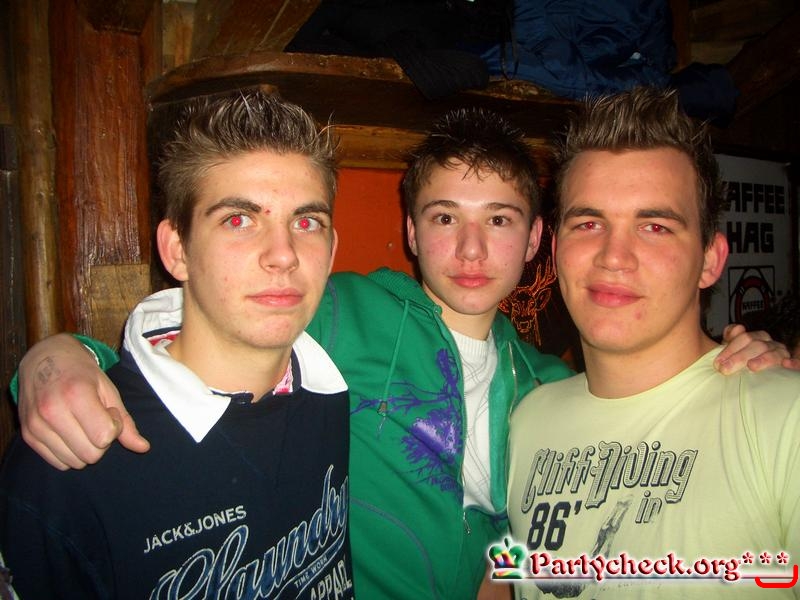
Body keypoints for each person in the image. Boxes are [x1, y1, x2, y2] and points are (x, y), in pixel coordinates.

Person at [8, 104, 794, 600]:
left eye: (500, 220)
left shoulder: (548, 388)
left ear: (536, 240)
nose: (472, 250)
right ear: (412, 232)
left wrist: (753, 358)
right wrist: (63, 356)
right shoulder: (343, 313)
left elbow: (525, 549)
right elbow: (215, 317)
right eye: (446, 218)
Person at [0, 90, 354, 599]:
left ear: (332, 249)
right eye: (238, 219)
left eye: (306, 222)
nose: (284, 255)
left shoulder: (335, 389)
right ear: (177, 250)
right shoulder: (67, 460)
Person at [506, 87, 800, 599]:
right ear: (555, 249)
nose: (613, 256)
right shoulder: (525, 420)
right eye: (589, 223)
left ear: (710, 259)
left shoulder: (785, 420)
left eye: (655, 226)